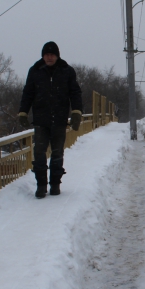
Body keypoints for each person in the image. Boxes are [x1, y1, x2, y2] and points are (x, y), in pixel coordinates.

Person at [18, 41, 83, 198]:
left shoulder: (67, 71)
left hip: (59, 119)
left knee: (57, 153)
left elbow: (75, 92)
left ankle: (55, 184)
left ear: (57, 56)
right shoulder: (35, 71)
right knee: (39, 153)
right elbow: (28, 93)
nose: (49, 57)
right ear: (43, 56)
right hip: (41, 120)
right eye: (46, 55)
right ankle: (41, 185)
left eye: (52, 55)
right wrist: (23, 112)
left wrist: (76, 112)